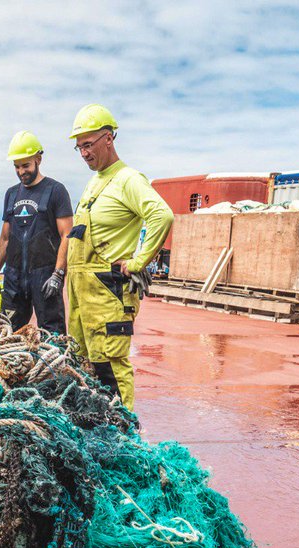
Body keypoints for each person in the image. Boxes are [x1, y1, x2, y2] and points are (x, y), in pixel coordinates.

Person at [65, 104, 171, 410]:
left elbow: (161, 216)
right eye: (79, 147)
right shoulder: (95, 182)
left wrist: (138, 262)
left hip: (107, 293)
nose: (84, 153)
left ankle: (125, 436)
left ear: (108, 138)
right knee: (84, 367)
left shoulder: (128, 179)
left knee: (110, 368)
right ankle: (98, 430)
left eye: (88, 144)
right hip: (83, 296)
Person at [0, 131, 74, 334]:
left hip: (44, 276)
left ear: (38, 159)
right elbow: (5, 238)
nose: (21, 172)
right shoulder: (11, 194)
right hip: (14, 278)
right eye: (16, 167)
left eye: (25, 165)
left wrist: (58, 274)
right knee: (7, 332)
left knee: (53, 335)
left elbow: (67, 236)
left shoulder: (56, 191)